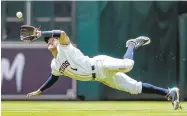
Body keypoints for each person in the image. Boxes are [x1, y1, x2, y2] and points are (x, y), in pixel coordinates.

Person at [25, 29, 182, 110]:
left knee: (129, 65)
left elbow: (62, 33)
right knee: (135, 88)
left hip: (100, 64)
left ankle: (132, 44)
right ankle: (169, 92)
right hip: (102, 77)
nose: (49, 40)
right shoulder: (55, 64)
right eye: (47, 40)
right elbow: (54, 77)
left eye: (51, 38)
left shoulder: (65, 46)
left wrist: (40, 33)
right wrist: (40, 90)